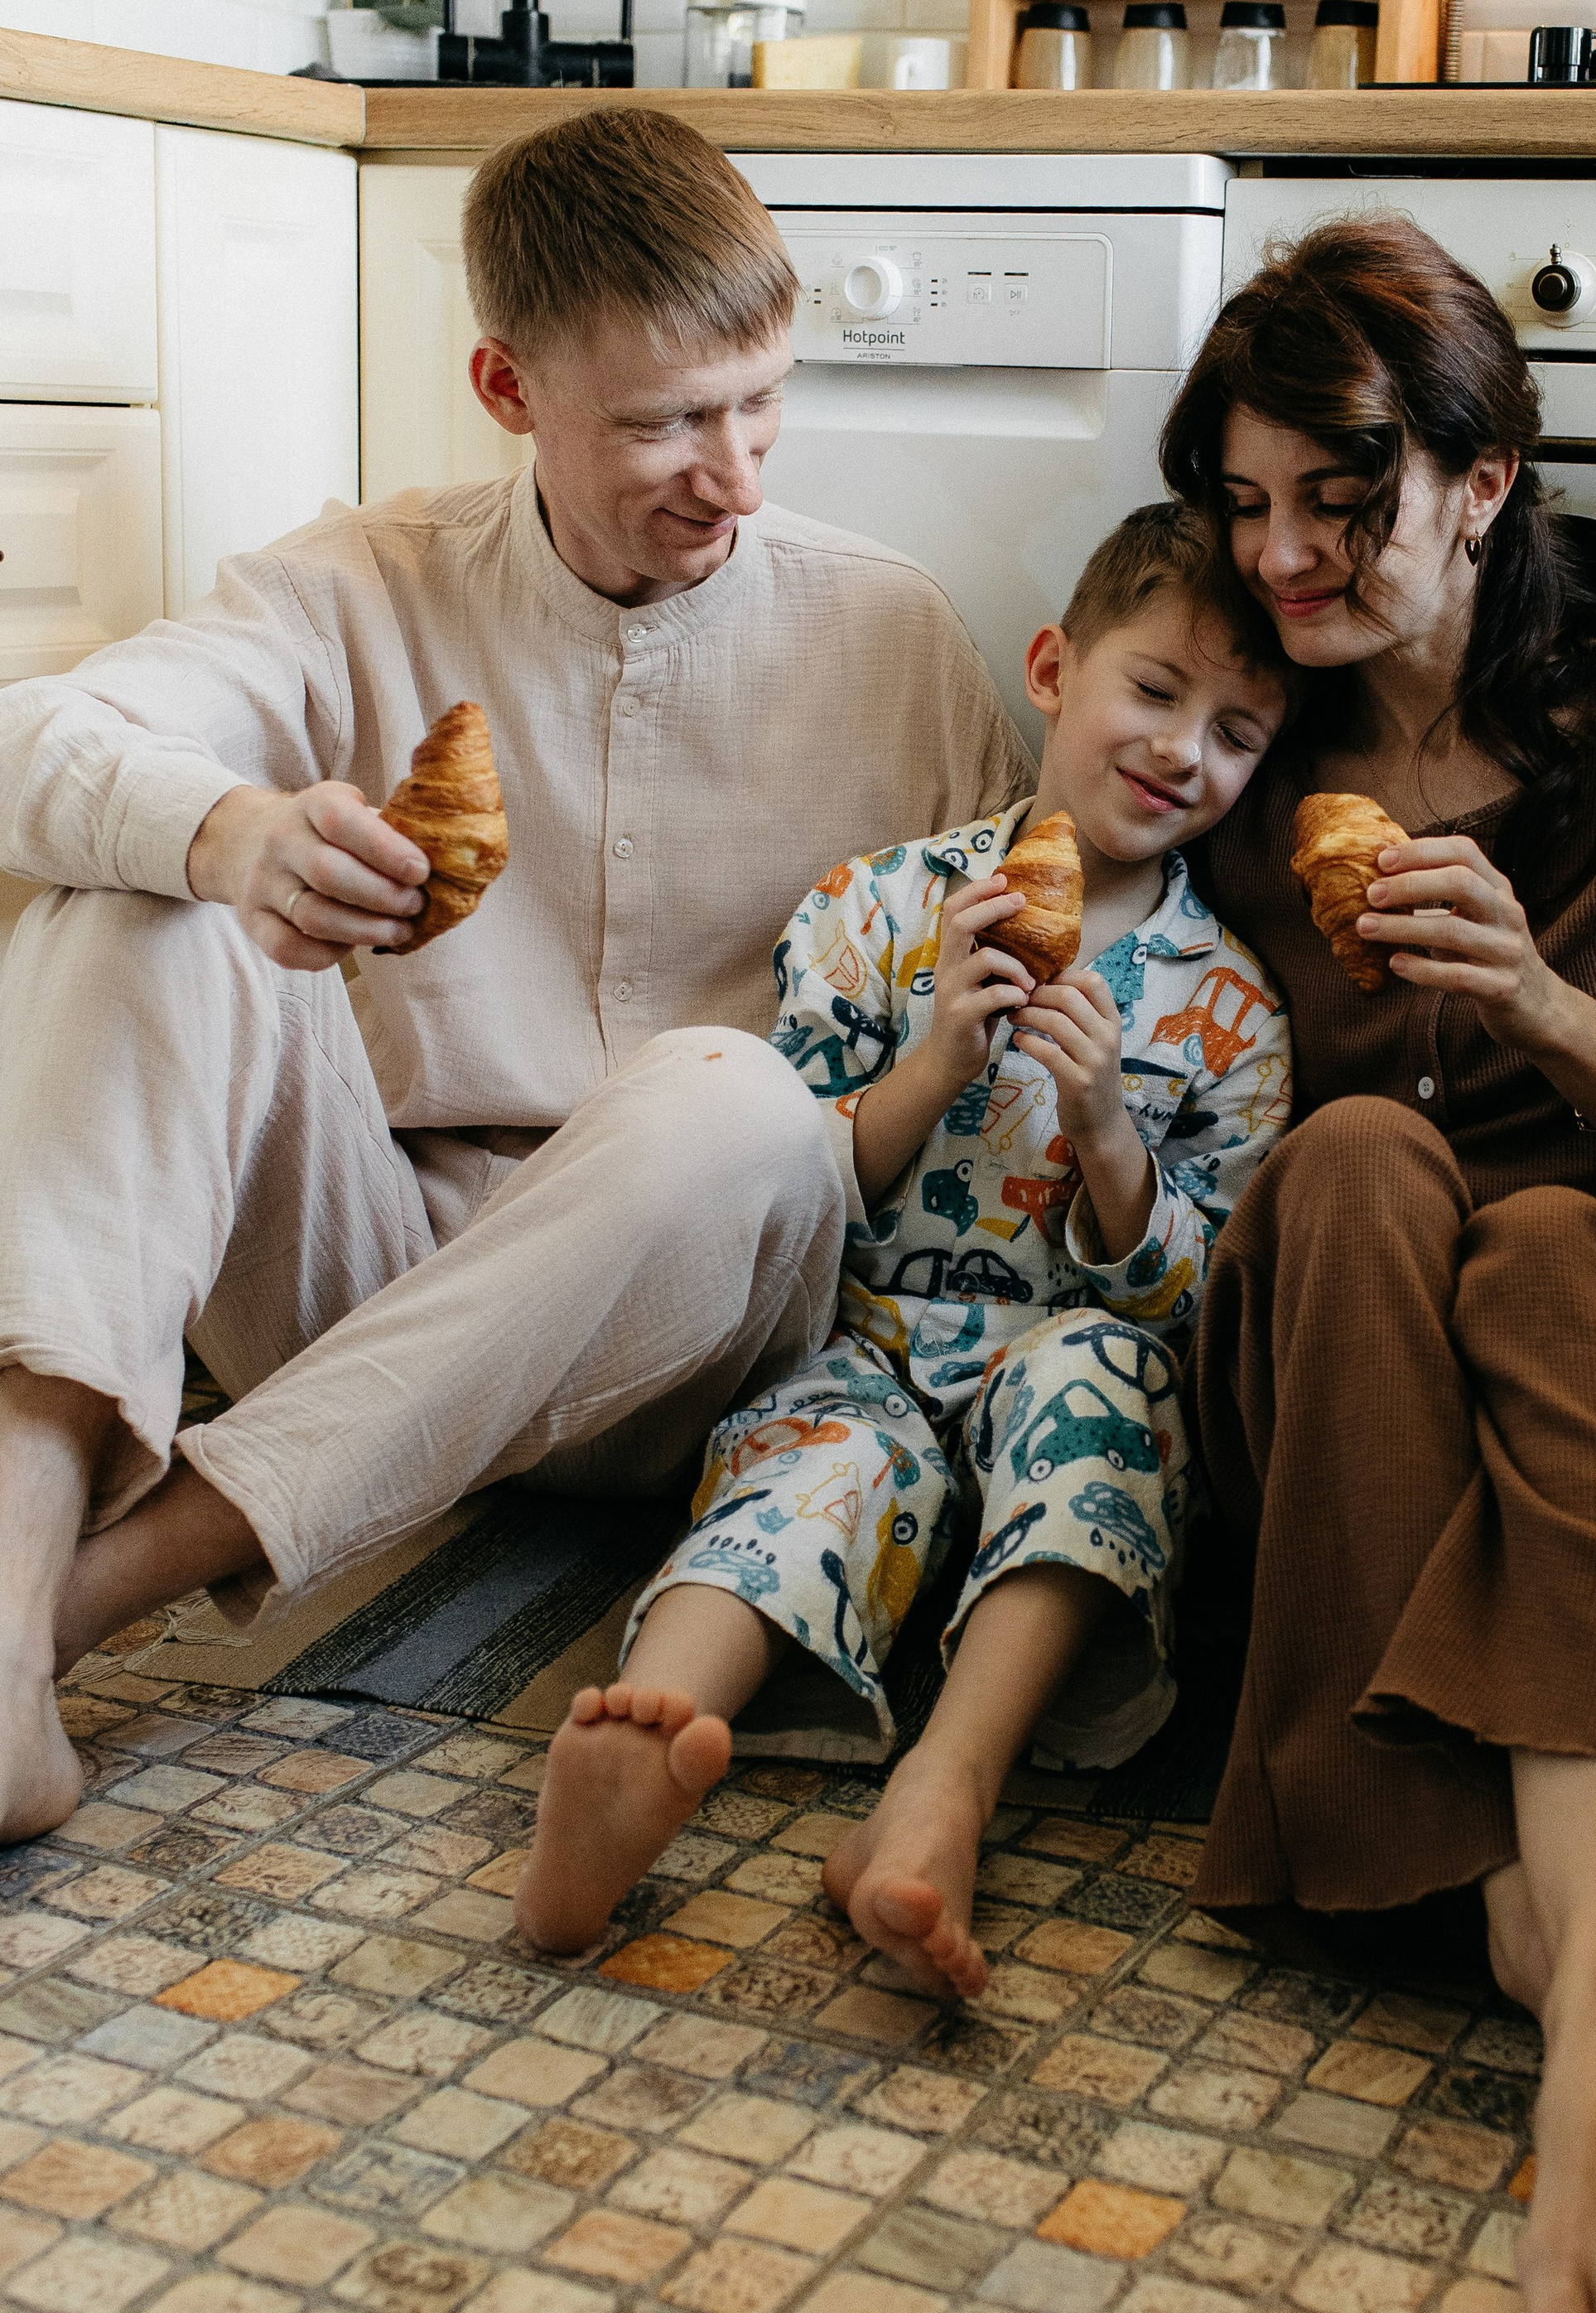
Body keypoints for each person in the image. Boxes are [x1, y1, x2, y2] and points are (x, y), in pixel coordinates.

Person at [0, 107, 1029, 1845]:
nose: (737, 474)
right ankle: (3, 1590)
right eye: (662, 424)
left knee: (738, 1096)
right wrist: (233, 834)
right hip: (367, 1279)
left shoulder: (891, 634)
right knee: (130, 887)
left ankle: (71, 1614)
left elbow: (980, 1040)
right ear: (503, 387)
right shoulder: (353, 587)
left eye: (760, 399)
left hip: (697, 1333)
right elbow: (33, 737)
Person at [1157, 215, 1596, 2313]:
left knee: (1554, 1236)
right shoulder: (1234, 761)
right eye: (1246, 503)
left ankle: (1543, 1968)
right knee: (1359, 1156)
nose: (1280, 559)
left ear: (1482, 488)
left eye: (1339, 502)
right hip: (1341, 1411)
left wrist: (1555, 1013)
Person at [511, 504, 1294, 1985]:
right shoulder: (875, 910)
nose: (1188, 750)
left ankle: (950, 1786)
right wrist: (935, 1058)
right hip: (862, 1344)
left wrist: (1113, 1137)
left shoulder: (1234, 1009)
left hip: (1071, 1355)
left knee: (1110, 1403)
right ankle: (652, 1735)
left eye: (1242, 732)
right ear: (1054, 667)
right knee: (813, 1460)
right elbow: (777, 1179)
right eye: (1157, 690)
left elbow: (1209, 1304)